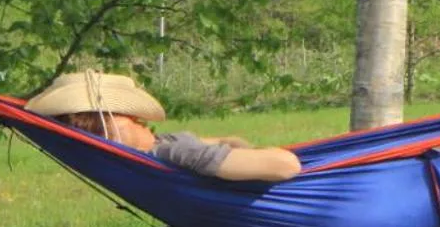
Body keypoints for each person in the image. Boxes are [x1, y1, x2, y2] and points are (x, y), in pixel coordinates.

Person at [23, 71, 301, 183]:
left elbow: (228, 140)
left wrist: (235, 144)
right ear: (108, 129)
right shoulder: (178, 154)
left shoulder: (160, 146)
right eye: (128, 116)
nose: (141, 120)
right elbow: (287, 166)